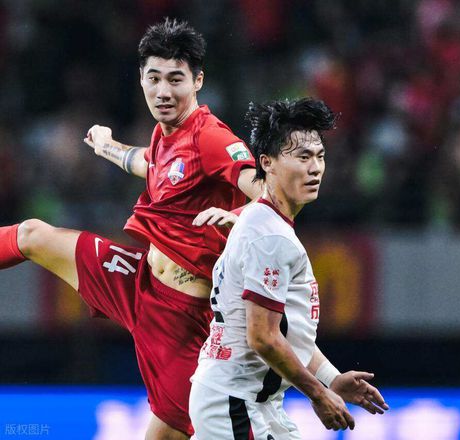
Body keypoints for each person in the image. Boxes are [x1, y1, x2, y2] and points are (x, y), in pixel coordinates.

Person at [0, 19, 262, 439]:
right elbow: (149, 163)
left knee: (174, 433)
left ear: (198, 80)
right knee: (31, 235)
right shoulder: (165, 133)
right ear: (141, 78)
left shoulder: (212, 138)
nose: (163, 91)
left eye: (175, 79)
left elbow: (264, 189)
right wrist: (106, 145)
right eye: (154, 78)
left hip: (183, 321)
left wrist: (243, 216)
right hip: (138, 282)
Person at [189, 97, 389, 439]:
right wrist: (318, 394)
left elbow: (288, 332)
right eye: (302, 157)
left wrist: (331, 379)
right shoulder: (270, 236)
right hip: (235, 402)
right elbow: (262, 336)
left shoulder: (265, 222)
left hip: (253, 401)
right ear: (267, 163)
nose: (315, 168)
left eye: (320, 156)